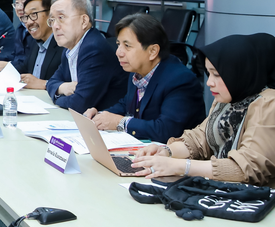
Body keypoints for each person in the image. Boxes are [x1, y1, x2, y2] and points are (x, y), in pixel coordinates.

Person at [132, 34, 275, 205]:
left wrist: (179, 166)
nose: (209, 82)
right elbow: (200, 138)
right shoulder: (229, 98)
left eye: (217, 75)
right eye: (209, 73)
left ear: (240, 72)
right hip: (245, 199)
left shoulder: (272, 105)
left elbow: (246, 169)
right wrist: (167, 152)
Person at [84, 13, 205, 143]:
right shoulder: (137, 70)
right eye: (118, 44)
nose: (118, 52)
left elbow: (166, 130)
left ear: (153, 51)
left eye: (127, 46)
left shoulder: (180, 80)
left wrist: (120, 122)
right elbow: (127, 104)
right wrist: (100, 116)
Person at [45, 0, 127, 113]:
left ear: (84, 21)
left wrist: (56, 98)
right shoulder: (69, 48)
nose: (55, 26)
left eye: (61, 18)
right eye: (52, 20)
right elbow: (51, 82)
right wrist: (63, 87)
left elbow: (79, 104)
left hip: (104, 121)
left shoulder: (94, 49)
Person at [0, 0, 61, 90]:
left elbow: (70, 85)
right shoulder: (35, 42)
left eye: (34, 15)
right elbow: (25, 67)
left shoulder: (64, 46)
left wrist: (43, 84)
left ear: (50, 15)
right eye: (26, 17)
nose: (29, 22)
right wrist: (0, 71)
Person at [10, 0, 47, 75]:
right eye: (17, 3)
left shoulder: (41, 32)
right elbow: (16, 56)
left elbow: (28, 65)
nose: (19, 8)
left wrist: (6, 67)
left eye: (24, 3)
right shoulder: (21, 27)